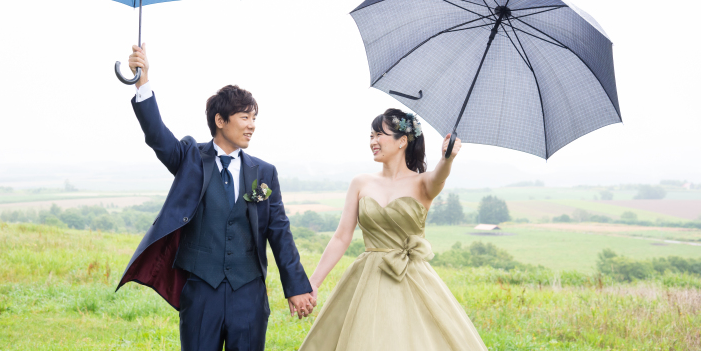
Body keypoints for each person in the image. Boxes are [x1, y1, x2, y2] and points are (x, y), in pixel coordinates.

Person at [116, 44, 316, 351]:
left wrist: (297, 287)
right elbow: (157, 135)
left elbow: (280, 234)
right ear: (220, 120)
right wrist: (143, 82)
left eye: (254, 118)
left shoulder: (265, 173)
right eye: (244, 117)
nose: (252, 125)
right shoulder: (190, 158)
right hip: (200, 294)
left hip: (249, 295)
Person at [298, 108, 488, 350]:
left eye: (379, 135)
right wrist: (314, 282)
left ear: (402, 141)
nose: (373, 142)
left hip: (412, 277)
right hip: (367, 276)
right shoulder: (360, 183)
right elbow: (341, 237)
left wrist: (447, 158)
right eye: (370, 136)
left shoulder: (424, 183)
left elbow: (440, 175)